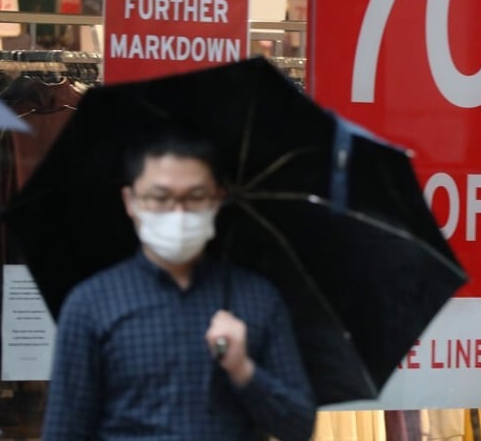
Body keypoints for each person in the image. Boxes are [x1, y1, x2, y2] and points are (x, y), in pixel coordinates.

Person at [41, 126, 316, 440]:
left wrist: (243, 370)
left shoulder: (258, 300)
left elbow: (299, 426)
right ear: (130, 200)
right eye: (160, 198)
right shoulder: (91, 305)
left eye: (195, 197)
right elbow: (64, 430)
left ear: (217, 199)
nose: (178, 213)